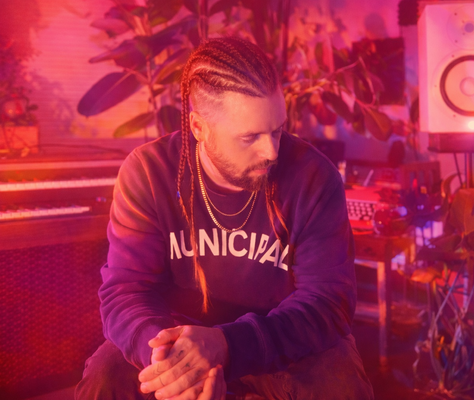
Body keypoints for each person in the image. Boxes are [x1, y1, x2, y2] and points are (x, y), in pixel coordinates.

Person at [75, 37, 374, 400]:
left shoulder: (313, 177)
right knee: (105, 377)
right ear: (199, 128)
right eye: (250, 137)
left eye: (277, 130)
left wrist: (228, 345)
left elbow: (328, 301)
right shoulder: (149, 172)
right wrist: (168, 361)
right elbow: (126, 290)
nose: (272, 151)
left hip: (279, 338)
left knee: (340, 384)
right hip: (176, 337)